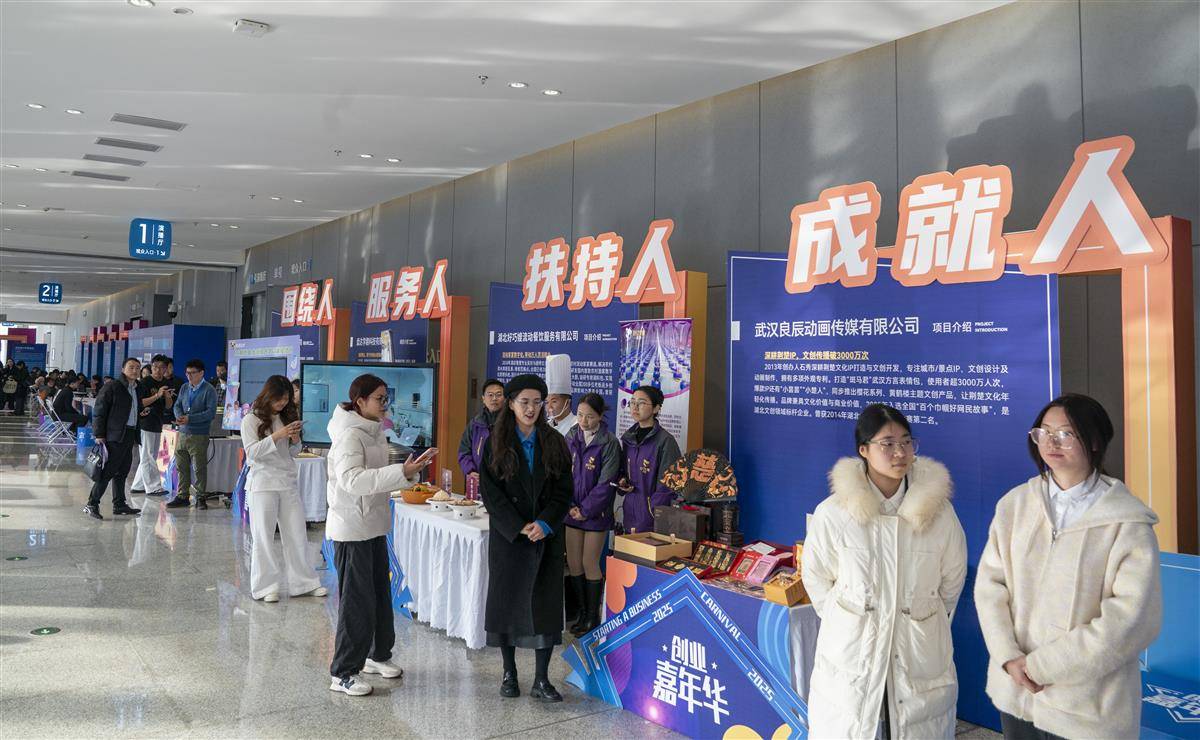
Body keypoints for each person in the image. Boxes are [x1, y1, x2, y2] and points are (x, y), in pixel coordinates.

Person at [975, 394, 1161, 740]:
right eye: (1044, 432)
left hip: (1088, 707)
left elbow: (1131, 618)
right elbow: (990, 587)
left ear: (1094, 441)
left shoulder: (1125, 521)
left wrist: (1043, 666)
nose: (1051, 443)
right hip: (1018, 693)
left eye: (1065, 433)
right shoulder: (1015, 505)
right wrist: (1008, 656)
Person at [802, 403, 967, 739]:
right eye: (887, 444)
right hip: (854, 647)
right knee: (852, 723)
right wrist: (847, 617)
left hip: (917, 646)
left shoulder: (939, 513)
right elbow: (817, 577)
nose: (900, 453)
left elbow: (952, 580)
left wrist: (922, 614)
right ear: (863, 450)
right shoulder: (834, 513)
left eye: (906, 442)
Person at [326, 373, 436, 696]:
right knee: (356, 602)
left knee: (379, 595)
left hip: (374, 524)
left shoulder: (374, 431)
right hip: (351, 528)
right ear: (360, 401)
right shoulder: (349, 435)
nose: (385, 404)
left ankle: (376, 655)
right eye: (379, 398)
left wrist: (406, 473)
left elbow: (377, 478)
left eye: (387, 398)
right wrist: (400, 472)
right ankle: (343, 672)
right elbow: (352, 481)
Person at [479, 374, 573, 702]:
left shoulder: (555, 441)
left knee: (545, 608)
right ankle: (509, 673)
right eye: (524, 402)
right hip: (510, 539)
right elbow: (491, 493)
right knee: (506, 606)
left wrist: (545, 523)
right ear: (511, 404)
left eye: (537, 402)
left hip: (545, 537)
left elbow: (564, 490)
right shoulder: (495, 441)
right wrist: (518, 525)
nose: (531, 409)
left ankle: (542, 680)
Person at [241, 375, 326, 603]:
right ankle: (265, 587)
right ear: (268, 395)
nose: (282, 403)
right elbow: (252, 453)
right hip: (262, 484)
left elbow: (292, 453)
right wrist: (278, 435)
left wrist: (295, 439)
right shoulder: (250, 419)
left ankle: (304, 583)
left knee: (297, 533)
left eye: (286, 399)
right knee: (264, 537)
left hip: (287, 482)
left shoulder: (287, 416)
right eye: (279, 399)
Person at [563, 393, 621, 636]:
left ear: (600, 416)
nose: (584, 421)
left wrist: (585, 510)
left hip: (596, 514)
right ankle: (582, 613)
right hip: (571, 511)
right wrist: (569, 505)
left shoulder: (609, 443)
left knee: (589, 562)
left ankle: (593, 617)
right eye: (580, 415)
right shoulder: (570, 437)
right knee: (574, 563)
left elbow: (607, 483)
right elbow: (561, 473)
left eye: (590, 417)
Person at [84, 358, 146, 521]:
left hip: (130, 433)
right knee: (107, 472)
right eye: (131, 367)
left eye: (137, 367)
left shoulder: (138, 388)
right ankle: (92, 504)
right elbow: (99, 411)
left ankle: (119, 504)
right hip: (114, 435)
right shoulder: (112, 386)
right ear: (123, 369)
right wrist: (99, 434)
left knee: (122, 471)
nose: (135, 370)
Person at [616, 386, 682, 534]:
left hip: (653, 521)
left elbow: (668, 484)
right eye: (632, 402)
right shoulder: (628, 438)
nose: (635, 407)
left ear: (656, 408)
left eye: (641, 403)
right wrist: (622, 482)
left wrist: (653, 513)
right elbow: (622, 472)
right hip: (629, 515)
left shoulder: (665, 441)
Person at [167, 359, 218, 510]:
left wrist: (190, 419)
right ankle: (183, 496)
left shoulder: (209, 390)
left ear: (201, 373)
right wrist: (179, 416)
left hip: (199, 434)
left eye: (193, 373)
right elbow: (177, 405)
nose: (189, 376)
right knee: (181, 466)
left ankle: (201, 497)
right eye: (187, 373)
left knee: (199, 467)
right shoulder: (184, 387)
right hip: (182, 433)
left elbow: (210, 413)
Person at [131, 355, 173, 496]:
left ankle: (138, 485)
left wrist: (167, 397)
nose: (158, 370)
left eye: (162, 367)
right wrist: (157, 395)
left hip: (158, 422)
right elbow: (140, 402)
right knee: (148, 456)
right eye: (155, 367)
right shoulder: (144, 382)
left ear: (166, 369)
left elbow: (168, 406)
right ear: (151, 366)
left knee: (150, 455)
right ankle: (153, 487)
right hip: (145, 422)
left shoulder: (166, 382)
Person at [457, 378, 504, 482]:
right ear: (483, 398)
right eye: (490, 395)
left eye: (498, 394)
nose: (494, 398)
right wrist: (470, 471)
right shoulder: (475, 424)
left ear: (505, 398)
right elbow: (464, 452)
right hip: (479, 481)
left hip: (504, 482)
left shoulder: (511, 423)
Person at [544, 354, 576, 435]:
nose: (549, 407)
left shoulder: (578, 426)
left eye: (554, 401)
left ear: (567, 403)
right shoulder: (545, 426)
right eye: (546, 402)